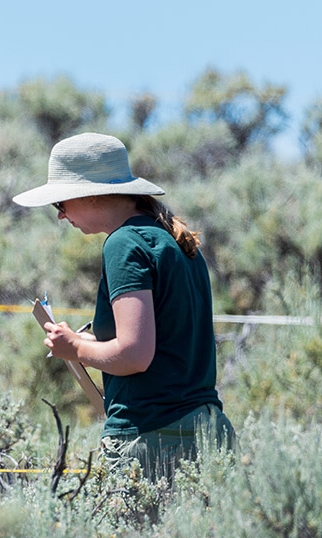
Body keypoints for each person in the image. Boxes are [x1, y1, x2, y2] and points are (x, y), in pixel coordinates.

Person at [13, 132, 234, 480]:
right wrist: (81, 344)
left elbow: (134, 355)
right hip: (206, 433)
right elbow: (162, 348)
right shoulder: (172, 240)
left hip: (153, 442)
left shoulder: (123, 244)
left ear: (94, 195)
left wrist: (74, 350)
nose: (60, 216)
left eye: (61, 203)